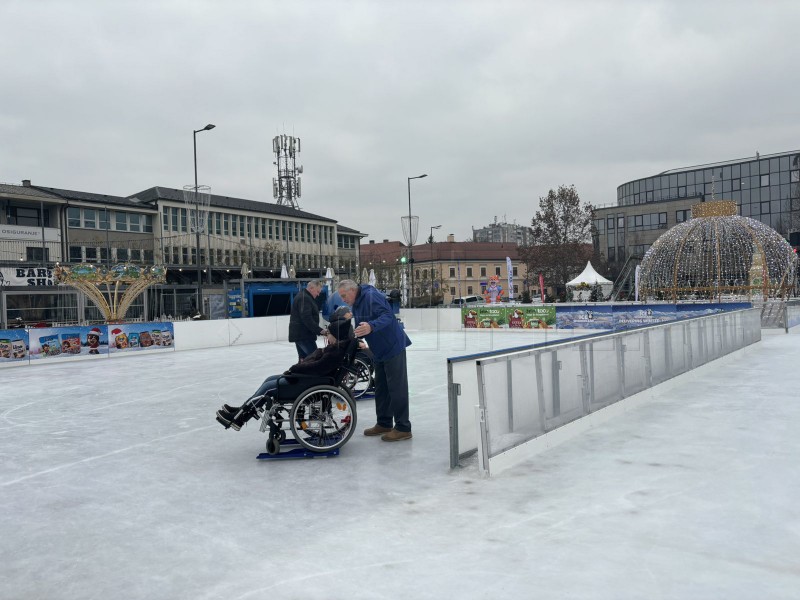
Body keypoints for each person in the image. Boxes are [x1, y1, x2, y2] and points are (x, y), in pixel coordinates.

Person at [216, 313, 354, 431]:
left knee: (268, 388)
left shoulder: (334, 352)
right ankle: (241, 409)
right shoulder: (336, 349)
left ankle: (239, 419)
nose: (327, 335)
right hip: (310, 379)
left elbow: (317, 367)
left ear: (335, 336)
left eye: (329, 333)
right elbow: (318, 365)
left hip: (308, 382)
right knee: (269, 380)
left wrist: (295, 369)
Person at [337, 279, 412, 442]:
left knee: (396, 388)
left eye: (344, 295)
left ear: (352, 290)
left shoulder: (371, 296)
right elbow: (360, 325)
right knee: (381, 388)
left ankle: (403, 427)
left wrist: (371, 326)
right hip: (378, 349)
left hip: (392, 346)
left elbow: (388, 316)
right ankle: (384, 423)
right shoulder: (357, 302)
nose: (343, 299)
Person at [289, 280, 325, 359]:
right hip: (304, 336)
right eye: (317, 291)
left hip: (301, 335)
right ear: (311, 288)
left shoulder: (304, 296)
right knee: (315, 359)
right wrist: (320, 330)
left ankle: (300, 370)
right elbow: (306, 317)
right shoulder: (304, 298)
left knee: (304, 360)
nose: (318, 294)